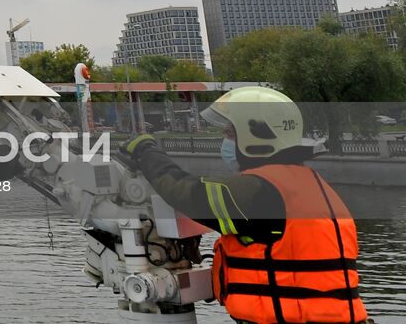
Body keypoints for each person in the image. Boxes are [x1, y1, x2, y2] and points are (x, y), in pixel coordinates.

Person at [121, 86, 371, 324]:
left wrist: (146, 151)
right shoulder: (311, 185)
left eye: (230, 134)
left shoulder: (259, 190)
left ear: (257, 135)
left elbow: (185, 194)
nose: (225, 141)